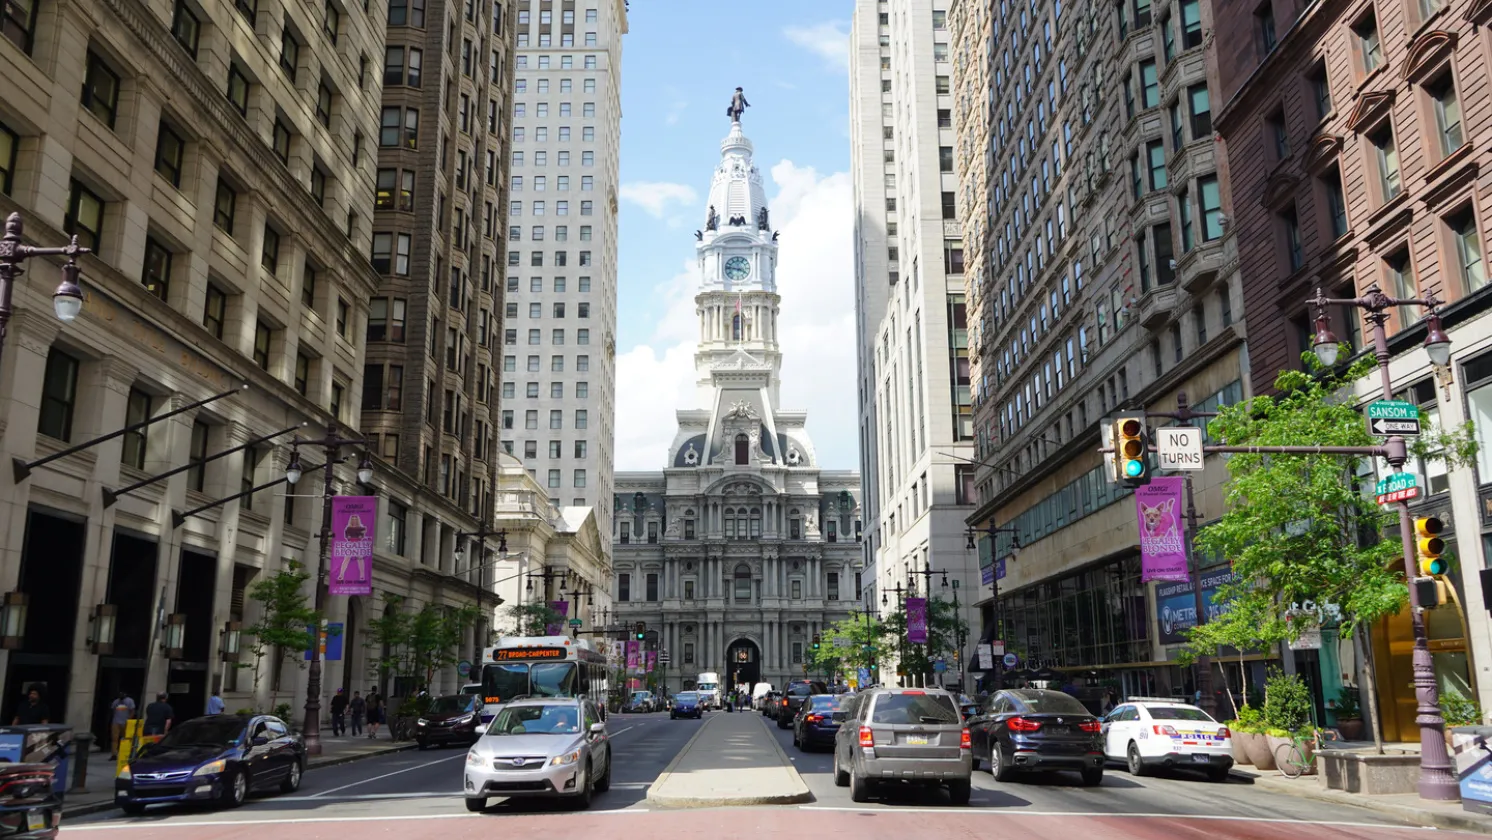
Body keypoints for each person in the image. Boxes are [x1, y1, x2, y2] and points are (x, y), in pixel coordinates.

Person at [108, 691, 135, 758]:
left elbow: (132, 711)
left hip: (125, 722)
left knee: (125, 738)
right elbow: (113, 710)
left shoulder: (129, 701)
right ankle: (114, 754)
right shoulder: (116, 702)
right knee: (114, 739)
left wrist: (128, 719)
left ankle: (124, 753)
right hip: (116, 722)